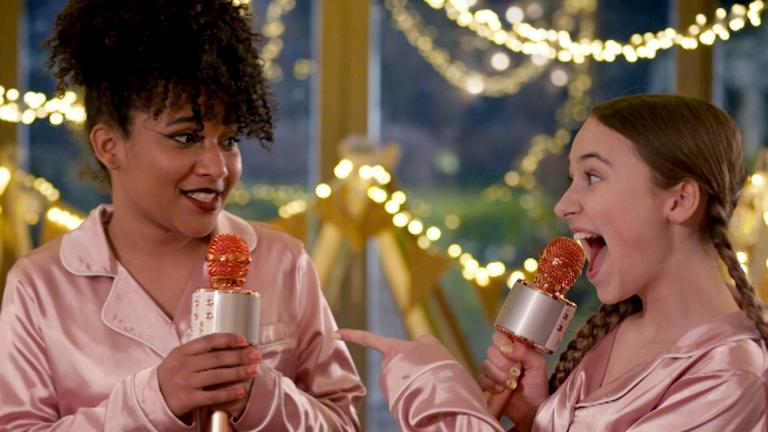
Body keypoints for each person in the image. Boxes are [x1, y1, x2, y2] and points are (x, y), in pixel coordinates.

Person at [0, 0, 365, 430]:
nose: (218, 167)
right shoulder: (40, 286)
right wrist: (153, 403)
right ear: (109, 146)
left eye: (228, 140)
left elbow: (343, 422)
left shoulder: (284, 262)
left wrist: (259, 396)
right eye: (187, 137)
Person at [338, 94, 768, 431]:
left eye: (593, 176)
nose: (563, 205)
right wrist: (535, 415)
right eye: (571, 179)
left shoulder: (730, 376)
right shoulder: (616, 330)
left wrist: (437, 394)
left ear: (679, 200)